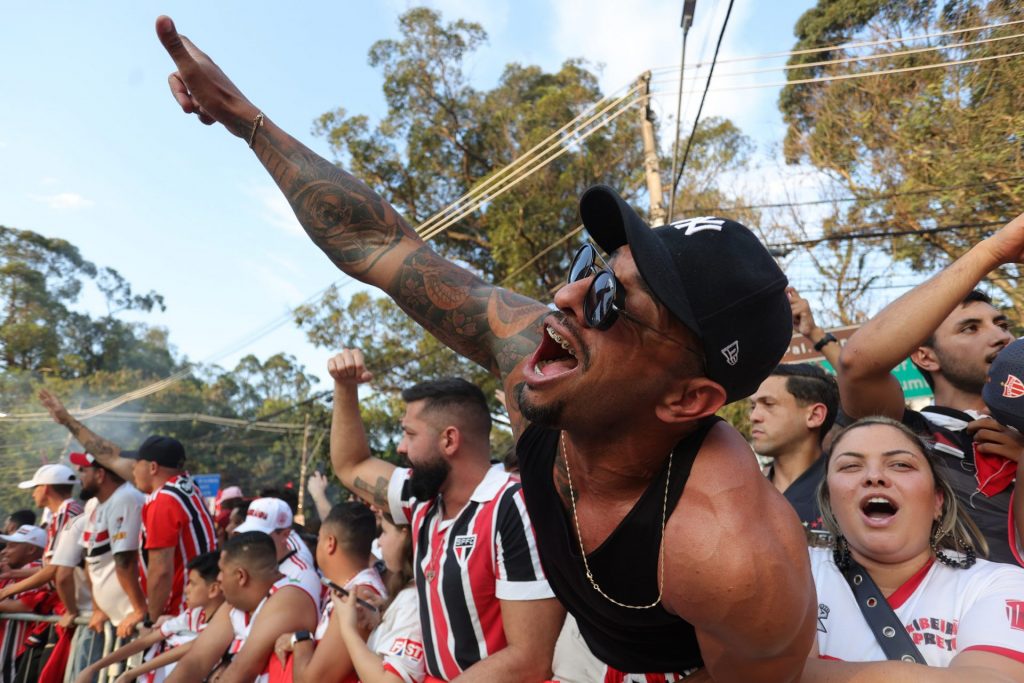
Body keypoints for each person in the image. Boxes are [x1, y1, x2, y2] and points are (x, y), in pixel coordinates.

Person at [155, 18, 816, 679]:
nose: (567, 295)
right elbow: (383, 246)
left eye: (615, 301)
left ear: (687, 397)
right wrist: (247, 120)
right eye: (595, 265)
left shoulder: (730, 555)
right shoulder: (539, 358)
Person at [328, 353, 561, 681]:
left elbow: (531, 658)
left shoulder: (512, 506)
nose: (400, 447)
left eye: (409, 434)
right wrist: (345, 388)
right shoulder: (424, 499)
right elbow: (350, 467)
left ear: (449, 439)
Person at [836, 219, 1024, 565]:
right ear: (925, 355)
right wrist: (990, 252)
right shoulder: (906, 433)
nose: (1000, 337)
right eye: (970, 328)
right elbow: (858, 364)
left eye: (1002, 324)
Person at [804, 416, 1024, 681]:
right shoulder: (796, 571)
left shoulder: (998, 583)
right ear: (830, 503)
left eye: (900, 464)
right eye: (850, 466)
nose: (874, 477)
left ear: (937, 501)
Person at [39, 390, 217, 628]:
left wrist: (150, 619)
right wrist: (68, 420)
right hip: (193, 610)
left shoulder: (163, 501)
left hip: (179, 615)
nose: (131, 469)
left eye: (136, 464)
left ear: (152, 467)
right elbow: (110, 456)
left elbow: (161, 570)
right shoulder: (184, 485)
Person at [166, 532, 317, 683]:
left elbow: (242, 671)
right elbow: (196, 661)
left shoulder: (289, 598)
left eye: (222, 571)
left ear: (241, 576)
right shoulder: (237, 603)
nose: (218, 578)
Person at [75, 550, 225, 683]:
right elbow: (144, 642)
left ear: (213, 589)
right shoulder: (193, 615)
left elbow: (189, 649)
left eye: (192, 584)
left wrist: (131, 673)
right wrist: (94, 667)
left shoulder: (222, 627)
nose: (187, 590)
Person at [0, 463, 83, 682]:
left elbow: (57, 570)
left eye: (35, 488)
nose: (34, 494)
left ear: (46, 488)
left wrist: (9, 589)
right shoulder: (63, 513)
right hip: (64, 608)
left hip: (70, 607)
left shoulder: (68, 512)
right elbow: (51, 569)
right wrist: (12, 577)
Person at [333, 512, 424, 683]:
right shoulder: (410, 595)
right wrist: (381, 621)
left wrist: (348, 629)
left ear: (405, 535)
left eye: (384, 531)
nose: (379, 542)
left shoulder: (412, 601)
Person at [749, 363, 839, 533]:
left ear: (814, 415)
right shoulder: (743, 494)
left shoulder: (843, 491)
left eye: (768, 404)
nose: (754, 417)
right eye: (753, 407)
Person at [70, 451, 148, 641]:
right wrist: (98, 607)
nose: (80, 476)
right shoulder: (93, 505)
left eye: (83, 470)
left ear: (100, 474)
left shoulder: (126, 497)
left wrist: (138, 610)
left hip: (132, 620)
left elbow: (126, 561)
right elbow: (91, 560)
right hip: (111, 619)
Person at [231, 497, 320, 607]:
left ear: (285, 535)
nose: (251, 539)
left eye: (260, 534)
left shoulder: (301, 574)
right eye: (247, 532)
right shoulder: (255, 559)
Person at [0, 525, 50, 682]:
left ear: (31, 550)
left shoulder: (36, 570)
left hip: (15, 659)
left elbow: (25, 605)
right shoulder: (13, 571)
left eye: (12, 546)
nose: (4, 551)